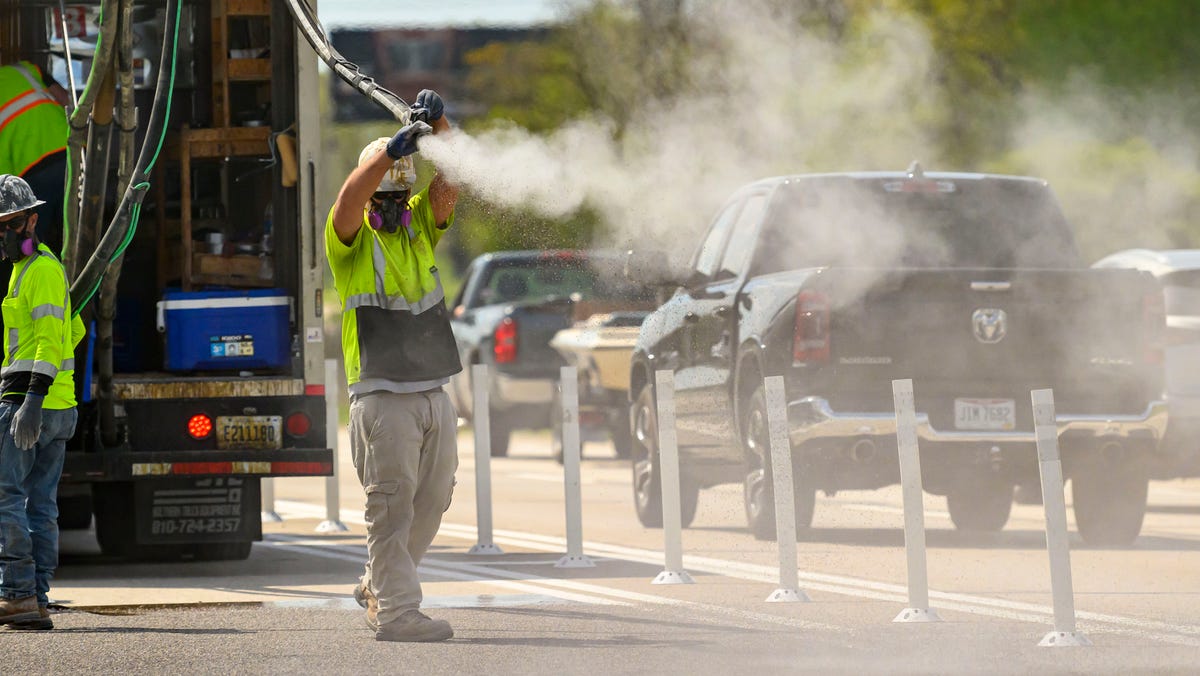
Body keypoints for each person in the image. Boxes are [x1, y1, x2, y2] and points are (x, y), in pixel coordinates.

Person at [326, 90, 461, 643]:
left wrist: (441, 126)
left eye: (397, 197)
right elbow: (348, 201)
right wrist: (385, 157)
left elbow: (452, 181)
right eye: (384, 196)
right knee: (390, 504)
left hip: (433, 390)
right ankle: (399, 610)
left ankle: (377, 582)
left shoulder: (418, 226)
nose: (391, 207)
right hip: (382, 396)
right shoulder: (351, 243)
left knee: (434, 497)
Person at [0, 174, 85, 631]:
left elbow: (52, 341)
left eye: (11, 224)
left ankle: (18, 595)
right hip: (54, 403)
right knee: (39, 504)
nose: (4, 234)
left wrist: (31, 401)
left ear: (32, 220)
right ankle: (36, 597)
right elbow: (74, 331)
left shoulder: (41, 271)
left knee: (8, 497)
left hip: (30, 404)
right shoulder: (29, 270)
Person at [0, 61, 71, 258]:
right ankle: (82, 285)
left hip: (33, 166)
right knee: (75, 232)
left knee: (29, 243)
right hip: (69, 150)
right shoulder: (26, 68)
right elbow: (67, 100)